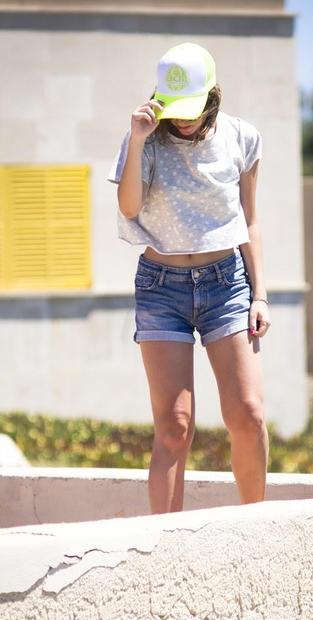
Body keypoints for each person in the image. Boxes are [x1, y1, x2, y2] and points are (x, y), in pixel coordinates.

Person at [108, 42, 271, 514]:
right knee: (175, 425)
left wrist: (259, 295)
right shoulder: (146, 138)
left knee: (248, 414)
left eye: (191, 110)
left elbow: (250, 221)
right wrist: (138, 139)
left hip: (227, 285)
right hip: (162, 287)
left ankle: (256, 530)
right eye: (174, 109)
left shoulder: (243, 138)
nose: (182, 120)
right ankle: (164, 549)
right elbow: (129, 208)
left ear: (212, 96)